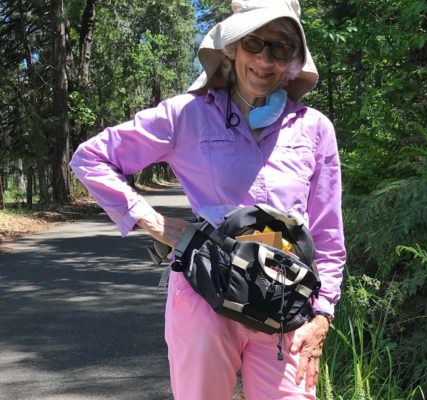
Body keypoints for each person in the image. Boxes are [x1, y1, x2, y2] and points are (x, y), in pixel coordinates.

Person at [70, 0, 346, 398]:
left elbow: (328, 232)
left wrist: (322, 314)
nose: (264, 60)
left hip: (285, 303)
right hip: (204, 297)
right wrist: (157, 224)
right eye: (254, 42)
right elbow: (91, 158)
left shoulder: (314, 129)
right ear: (232, 47)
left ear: (293, 60)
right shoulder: (188, 115)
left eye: (280, 48)